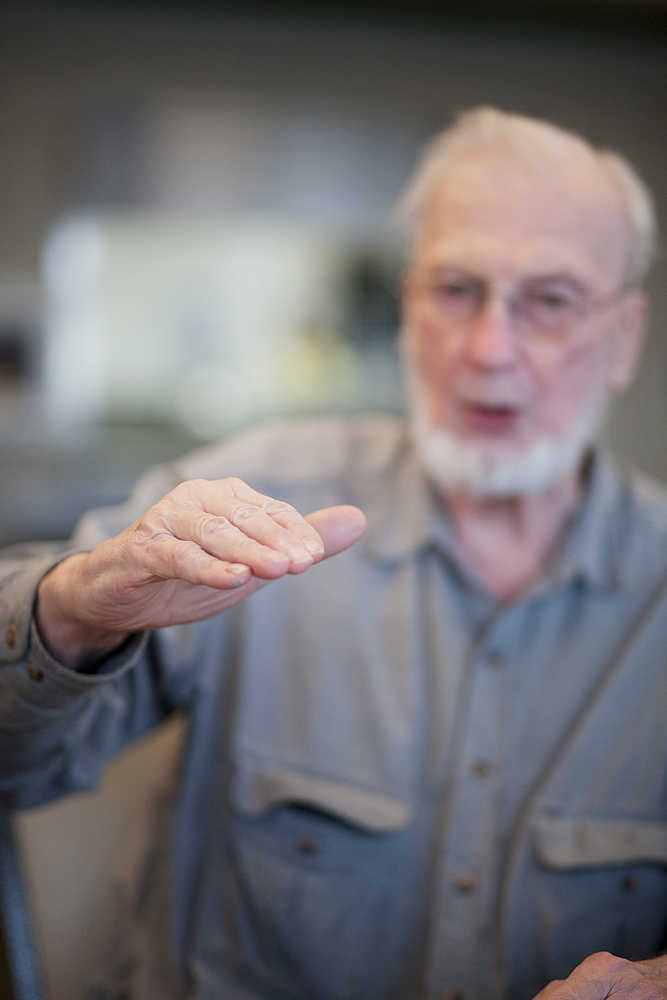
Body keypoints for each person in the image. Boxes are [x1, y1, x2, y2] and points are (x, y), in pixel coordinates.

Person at [1, 107, 665, 1000]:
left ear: (623, 337)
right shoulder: (254, 491)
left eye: (550, 301)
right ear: (408, 305)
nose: (489, 348)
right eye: (456, 289)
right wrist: (78, 607)